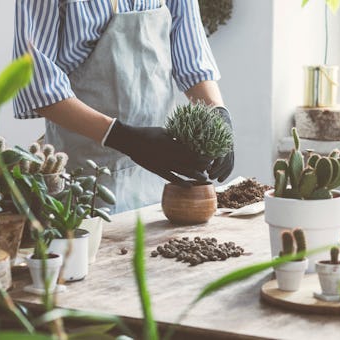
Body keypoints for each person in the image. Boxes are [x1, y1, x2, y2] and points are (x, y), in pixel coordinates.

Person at [13, 0, 234, 213]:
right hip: (86, 173)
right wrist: (123, 138)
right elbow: (36, 85)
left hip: (161, 167)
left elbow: (191, 56)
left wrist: (217, 112)